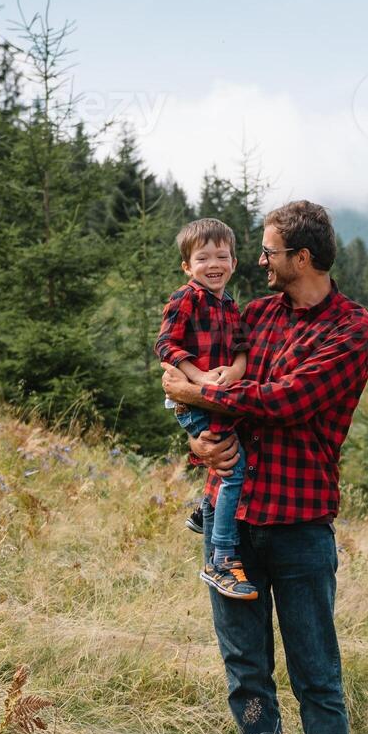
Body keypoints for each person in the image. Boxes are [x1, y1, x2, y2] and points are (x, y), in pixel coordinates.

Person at [162, 199, 368, 734]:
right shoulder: (254, 316)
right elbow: (199, 367)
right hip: (233, 524)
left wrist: (199, 392)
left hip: (300, 528)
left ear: (302, 258)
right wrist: (196, 431)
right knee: (246, 672)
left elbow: (287, 402)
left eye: (269, 251)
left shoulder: (349, 328)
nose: (257, 261)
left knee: (316, 677)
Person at [153, 218, 257, 601]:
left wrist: (233, 371)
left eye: (222, 256)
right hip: (192, 399)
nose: (213, 264)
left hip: (218, 395)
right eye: (203, 258)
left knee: (229, 454)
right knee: (233, 469)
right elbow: (165, 346)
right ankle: (222, 559)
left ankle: (204, 509)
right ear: (187, 266)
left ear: (233, 261)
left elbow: (243, 351)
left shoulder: (230, 305)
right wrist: (198, 379)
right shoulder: (187, 298)